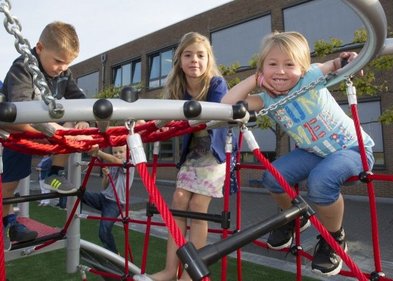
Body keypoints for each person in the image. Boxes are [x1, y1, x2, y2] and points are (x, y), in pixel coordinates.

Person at [221, 31, 375, 277]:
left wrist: (348, 60)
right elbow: (225, 105)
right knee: (273, 177)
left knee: (321, 181)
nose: (280, 71)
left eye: (289, 64)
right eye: (272, 64)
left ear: (302, 68)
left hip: (353, 148)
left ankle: (334, 237)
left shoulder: (312, 76)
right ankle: (295, 218)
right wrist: (254, 79)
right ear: (262, 70)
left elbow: (336, 64)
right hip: (313, 151)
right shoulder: (266, 99)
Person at [140, 32, 235, 281]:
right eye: (188, 55)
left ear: (208, 59)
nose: (195, 60)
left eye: (200, 55)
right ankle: (171, 269)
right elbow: (165, 116)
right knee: (178, 201)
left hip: (214, 155)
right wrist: (149, 124)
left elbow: (214, 117)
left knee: (197, 206)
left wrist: (178, 121)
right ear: (179, 59)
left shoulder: (216, 84)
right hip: (192, 155)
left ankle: (191, 273)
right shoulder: (177, 87)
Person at [1, 21, 90, 246]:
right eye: (58, 61)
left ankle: (54, 172)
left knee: (72, 132)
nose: (62, 67)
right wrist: (50, 130)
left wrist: (81, 119)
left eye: (67, 63)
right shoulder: (22, 66)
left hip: (43, 129)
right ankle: (6, 222)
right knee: (9, 184)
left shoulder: (64, 74)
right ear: (39, 48)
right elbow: (19, 110)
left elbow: (79, 100)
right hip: (15, 131)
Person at [81, 145, 134, 254]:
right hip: (103, 197)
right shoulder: (113, 165)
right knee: (79, 193)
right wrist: (106, 176)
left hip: (115, 203)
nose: (118, 154)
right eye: (115, 152)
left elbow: (115, 160)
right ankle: (75, 216)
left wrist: (98, 152)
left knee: (104, 230)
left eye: (121, 151)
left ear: (128, 153)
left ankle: (114, 252)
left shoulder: (129, 164)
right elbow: (104, 186)